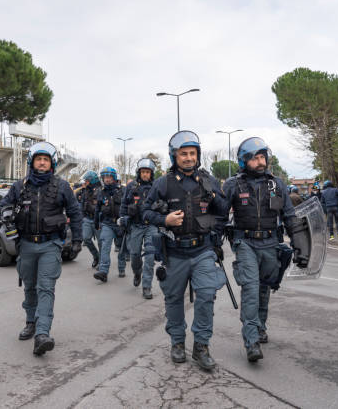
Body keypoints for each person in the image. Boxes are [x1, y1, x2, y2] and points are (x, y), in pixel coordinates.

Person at [0, 142, 83, 356]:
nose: (42, 162)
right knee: (29, 287)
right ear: (32, 162)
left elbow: (75, 213)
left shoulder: (62, 186)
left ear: (52, 163)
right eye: (38, 159)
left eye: (46, 159)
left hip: (51, 245)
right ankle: (31, 321)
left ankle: (42, 333)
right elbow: (0, 209)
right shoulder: (19, 186)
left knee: (46, 287)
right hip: (27, 245)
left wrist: (78, 239)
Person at [143, 131, 227, 371]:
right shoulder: (163, 183)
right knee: (173, 299)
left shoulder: (208, 180)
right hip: (175, 252)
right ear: (174, 156)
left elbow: (223, 211)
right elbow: (145, 212)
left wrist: (212, 194)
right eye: (183, 154)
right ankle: (177, 342)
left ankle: (201, 346)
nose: (189, 158)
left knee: (207, 294)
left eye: (192, 153)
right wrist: (164, 219)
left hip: (202, 250)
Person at [222, 137, 301, 363]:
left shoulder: (277, 184)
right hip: (245, 243)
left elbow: (289, 216)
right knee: (250, 289)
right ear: (244, 161)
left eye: (262, 157)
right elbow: (219, 217)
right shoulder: (233, 184)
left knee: (264, 289)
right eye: (254, 158)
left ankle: (260, 326)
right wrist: (211, 245)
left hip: (270, 243)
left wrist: (299, 244)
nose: (259, 162)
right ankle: (251, 340)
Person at [120, 158, 157, 299]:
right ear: (139, 173)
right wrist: (122, 218)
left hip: (151, 226)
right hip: (135, 225)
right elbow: (124, 204)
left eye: (148, 172)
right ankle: (137, 272)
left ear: (151, 173)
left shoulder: (157, 186)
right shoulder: (131, 187)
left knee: (150, 256)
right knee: (134, 254)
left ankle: (147, 286)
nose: (145, 174)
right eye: (143, 172)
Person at [93, 167, 127, 282]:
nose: (107, 179)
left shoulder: (122, 190)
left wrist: (126, 221)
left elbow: (127, 207)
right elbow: (97, 209)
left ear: (114, 178)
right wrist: (96, 223)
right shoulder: (101, 192)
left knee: (121, 248)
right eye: (105, 177)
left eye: (109, 177)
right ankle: (103, 271)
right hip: (107, 223)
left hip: (120, 224)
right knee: (105, 245)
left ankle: (121, 267)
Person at [75, 170, 102, 268]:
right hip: (87, 219)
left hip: (98, 220)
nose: (85, 182)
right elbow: (82, 205)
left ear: (91, 180)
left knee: (101, 242)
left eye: (86, 180)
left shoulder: (100, 191)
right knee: (86, 239)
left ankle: (102, 262)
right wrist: (81, 217)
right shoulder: (85, 191)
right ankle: (96, 256)